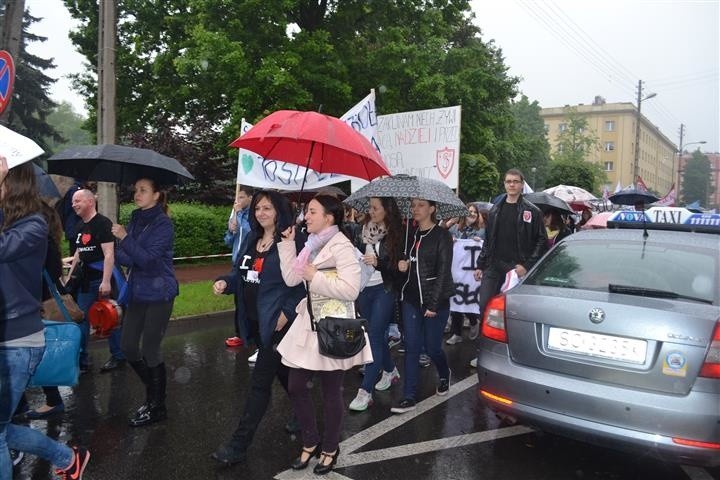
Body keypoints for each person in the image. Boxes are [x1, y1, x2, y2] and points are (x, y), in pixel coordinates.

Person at [0, 156, 90, 479]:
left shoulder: (34, 225)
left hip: (17, 339)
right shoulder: (8, 221)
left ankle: (66, 455)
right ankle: (67, 457)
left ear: (14, 183)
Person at [276, 195, 371, 475]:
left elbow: (351, 290)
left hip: (333, 328)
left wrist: (315, 275)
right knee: (296, 385)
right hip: (309, 324)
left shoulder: (342, 246)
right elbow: (292, 279)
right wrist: (287, 244)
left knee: (331, 392)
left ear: (329, 217)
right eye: (306, 211)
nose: (306, 216)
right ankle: (310, 441)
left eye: (312, 212)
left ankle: (329, 448)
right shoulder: (310, 244)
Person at [210, 190, 306, 465]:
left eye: (267, 208)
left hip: (278, 324)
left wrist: (287, 313)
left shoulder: (292, 240)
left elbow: (301, 284)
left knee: (259, 385)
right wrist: (225, 283)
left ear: (278, 211)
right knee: (286, 375)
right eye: (258, 208)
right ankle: (304, 414)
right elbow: (241, 273)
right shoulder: (253, 238)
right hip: (255, 322)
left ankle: (238, 445)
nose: (261, 213)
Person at [110, 178, 178, 427]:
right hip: (137, 292)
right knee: (128, 346)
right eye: (135, 189)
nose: (136, 194)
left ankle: (157, 405)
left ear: (157, 195)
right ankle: (154, 390)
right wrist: (115, 249)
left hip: (160, 294)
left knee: (150, 348)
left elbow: (148, 260)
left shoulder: (163, 224)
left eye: (143, 190)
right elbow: (129, 257)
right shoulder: (137, 217)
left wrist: (126, 239)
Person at [391, 198, 454, 414]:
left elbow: (444, 273)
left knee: (433, 347)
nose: (415, 209)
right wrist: (402, 264)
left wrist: (433, 304)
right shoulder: (411, 234)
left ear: (432, 208)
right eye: (413, 205)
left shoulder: (442, 236)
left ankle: (445, 374)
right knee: (412, 347)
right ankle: (409, 396)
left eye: (420, 205)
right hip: (411, 300)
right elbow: (406, 263)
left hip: (434, 301)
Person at [473, 168, 547, 330]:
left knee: (512, 310)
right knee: (485, 305)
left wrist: (526, 266)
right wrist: (481, 264)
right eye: (508, 181)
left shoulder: (532, 211)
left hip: (516, 268)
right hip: (494, 265)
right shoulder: (495, 210)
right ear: (504, 184)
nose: (512, 184)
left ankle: (507, 343)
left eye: (515, 181)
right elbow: (488, 240)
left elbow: (542, 241)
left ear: (521, 185)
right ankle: (486, 342)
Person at [348, 197, 403, 412]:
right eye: (370, 207)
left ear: (387, 210)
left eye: (375, 208)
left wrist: (378, 262)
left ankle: (365, 391)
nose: (371, 211)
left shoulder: (397, 235)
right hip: (364, 289)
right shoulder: (363, 230)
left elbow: (397, 269)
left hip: (384, 289)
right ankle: (390, 369)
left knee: (373, 338)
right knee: (377, 337)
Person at [67, 189, 125, 373]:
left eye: (78, 201)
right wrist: (69, 277)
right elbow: (78, 253)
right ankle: (82, 361)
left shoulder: (102, 223)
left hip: (101, 279)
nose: (73, 204)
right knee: (82, 319)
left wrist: (106, 281)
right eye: (73, 201)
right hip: (85, 282)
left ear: (90, 202)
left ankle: (118, 356)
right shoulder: (78, 226)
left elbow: (109, 254)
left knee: (110, 318)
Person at [19, 201, 67, 419]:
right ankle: (53, 400)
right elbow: (55, 270)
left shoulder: (38, 241)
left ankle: (22, 407)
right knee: (39, 353)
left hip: (35, 303)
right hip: (42, 300)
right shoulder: (50, 240)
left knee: (28, 354)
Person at [446, 203, 486, 345]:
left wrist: (481, 242)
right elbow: (443, 242)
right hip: (456, 271)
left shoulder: (481, 231)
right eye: (469, 211)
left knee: (468, 300)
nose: (472, 214)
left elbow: (486, 248)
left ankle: (474, 321)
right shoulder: (454, 229)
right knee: (456, 301)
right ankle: (456, 334)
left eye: (475, 212)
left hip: (471, 274)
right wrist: (450, 241)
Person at [223, 186, 253, 348]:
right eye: (237, 198)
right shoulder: (236, 215)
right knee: (238, 300)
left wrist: (239, 215)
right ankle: (240, 333)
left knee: (248, 300)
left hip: (249, 264)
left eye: (242, 197)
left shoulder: (251, 215)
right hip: (236, 264)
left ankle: (251, 334)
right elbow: (228, 241)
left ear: (249, 198)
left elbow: (250, 232)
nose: (238, 201)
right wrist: (230, 231)